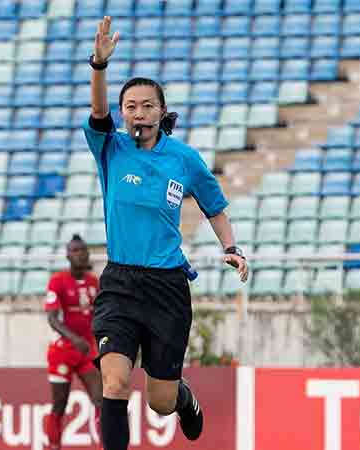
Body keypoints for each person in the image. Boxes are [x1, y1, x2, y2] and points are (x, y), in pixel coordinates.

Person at [83, 16, 249, 450]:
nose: (138, 111)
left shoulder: (184, 159)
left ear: (161, 110)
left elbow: (215, 207)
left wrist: (230, 247)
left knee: (159, 401)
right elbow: (97, 112)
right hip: (119, 282)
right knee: (114, 382)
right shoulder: (110, 147)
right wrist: (98, 66)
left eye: (147, 105)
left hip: (166, 288)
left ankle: (182, 396)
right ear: (123, 113)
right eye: (131, 105)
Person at [43, 234, 103, 450]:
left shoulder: (93, 282)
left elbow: (99, 314)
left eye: (83, 250)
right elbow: (51, 318)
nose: (80, 254)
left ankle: (106, 444)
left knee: (101, 400)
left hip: (86, 351)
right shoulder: (58, 281)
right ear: (68, 255)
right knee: (60, 405)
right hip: (62, 351)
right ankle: (53, 445)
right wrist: (74, 338)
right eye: (75, 251)